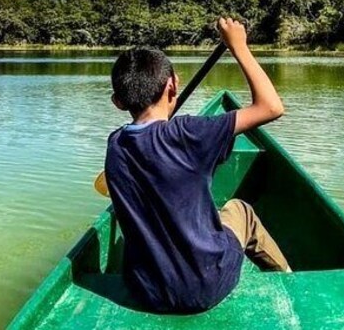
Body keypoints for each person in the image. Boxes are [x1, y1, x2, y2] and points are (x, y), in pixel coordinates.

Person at [104, 17, 290, 314]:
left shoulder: (115, 145)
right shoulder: (190, 134)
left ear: (118, 102)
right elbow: (271, 107)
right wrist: (238, 46)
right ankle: (289, 282)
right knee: (241, 211)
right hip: (207, 286)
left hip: (147, 292)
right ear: (173, 85)